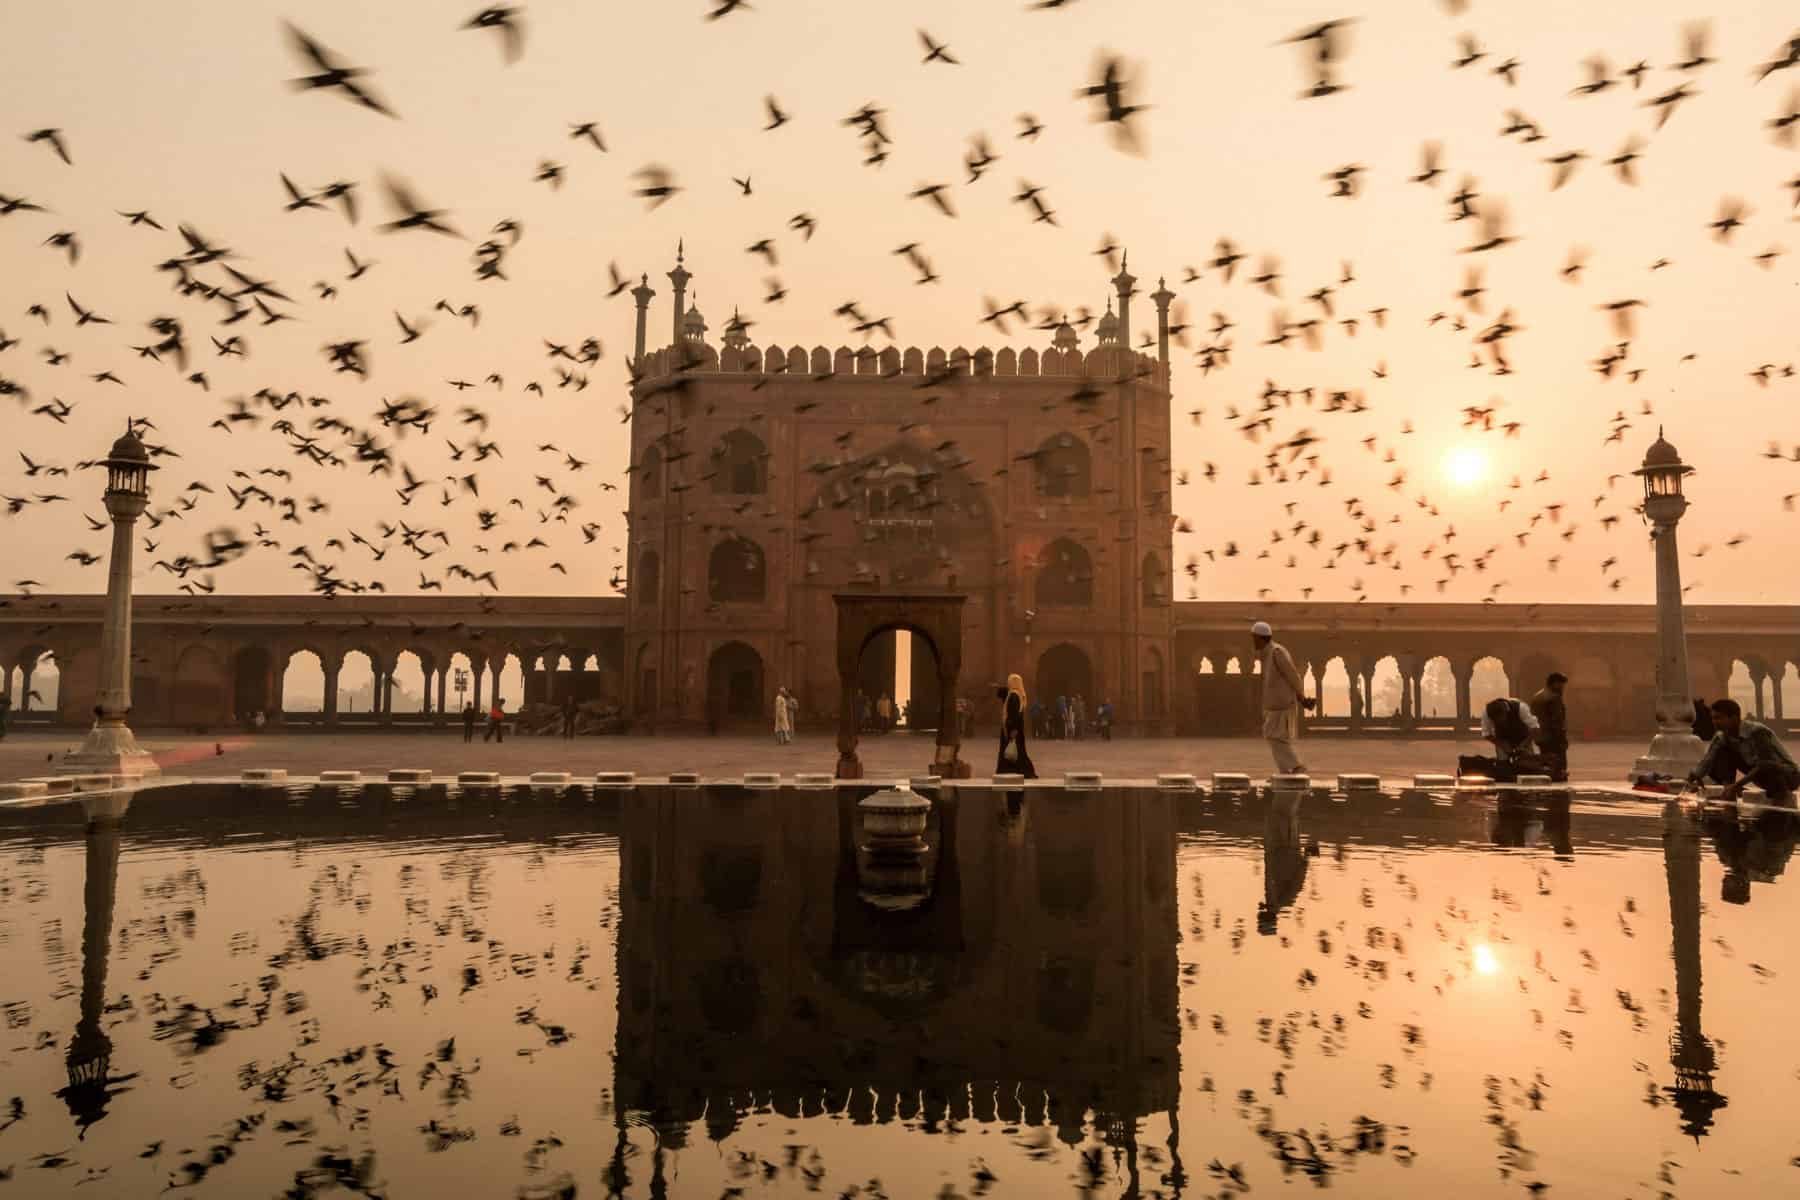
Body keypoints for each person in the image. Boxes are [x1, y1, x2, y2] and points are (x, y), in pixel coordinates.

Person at [1688, 698, 1800, 805]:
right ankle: (1728, 791)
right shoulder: (1722, 736)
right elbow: (1708, 760)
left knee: (1767, 764)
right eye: (1713, 718)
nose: (1714, 722)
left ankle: (1783, 796)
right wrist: (1694, 777)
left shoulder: (1757, 732)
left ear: (1734, 718)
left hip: (1788, 777)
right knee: (1720, 752)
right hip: (1761, 774)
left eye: (1719, 718)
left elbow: (1765, 764)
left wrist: (1737, 785)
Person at [1252, 620, 1312, 774]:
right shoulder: (1268, 654)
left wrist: (1302, 697)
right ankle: (1286, 772)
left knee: (1275, 736)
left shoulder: (1277, 652)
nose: (1253, 642)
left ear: (1261, 637)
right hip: (1274, 706)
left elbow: (1293, 676)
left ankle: (1296, 766)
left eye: (1255, 638)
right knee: (1274, 736)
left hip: (1283, 705)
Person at [995, 673, 1037, 778]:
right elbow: (1002, 694)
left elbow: (1014, 714)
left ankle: (1021, 771)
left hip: (1012, 729)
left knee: (1014, 751)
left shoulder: (1013, 696)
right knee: (1016, 751)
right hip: (1015, 728)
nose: (1008, 683)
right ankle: (1015, 771)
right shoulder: (1017, 694)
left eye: (1009, 681)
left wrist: (1012, 729)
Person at [1530, 672, 1570, 781]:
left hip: (1541, 737)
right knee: (1559, 767)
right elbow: (1557, 721)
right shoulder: (1554, 698)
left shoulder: (1537, 696)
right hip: (1553, 737)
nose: (1563, 687)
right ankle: (1559, 793)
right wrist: (1563, 739)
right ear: (1555, 683)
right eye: (1561, 684)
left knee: (1546, 763)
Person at [1481, 695, 1539, 763]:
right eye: (1497, 721)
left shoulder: (1521, 708)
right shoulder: (1486, 713)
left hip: (1523, 737)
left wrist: (1523, 745)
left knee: (1529, 763)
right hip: (1502, 739)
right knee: (1502, 764)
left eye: (1502, 720)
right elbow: (1486, 734)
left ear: (1506, 711)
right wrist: (1502, 744)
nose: (1500, 723)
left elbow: (1535, 729)